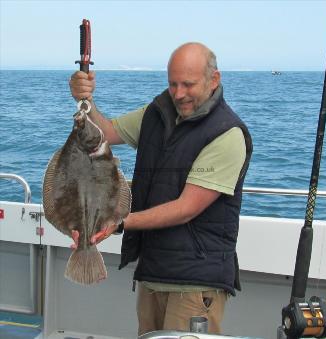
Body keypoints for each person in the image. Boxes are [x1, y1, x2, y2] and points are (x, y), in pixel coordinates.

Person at [69, 42, 252, 335]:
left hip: (195, 283)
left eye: (188, 85)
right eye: (173, 84)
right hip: (153, 273)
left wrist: (117, 222)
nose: (179, 94)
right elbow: (104, 133)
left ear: (213, 79)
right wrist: (85, 100)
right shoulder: (157, 112)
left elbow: (185, 209)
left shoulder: (227, 133)